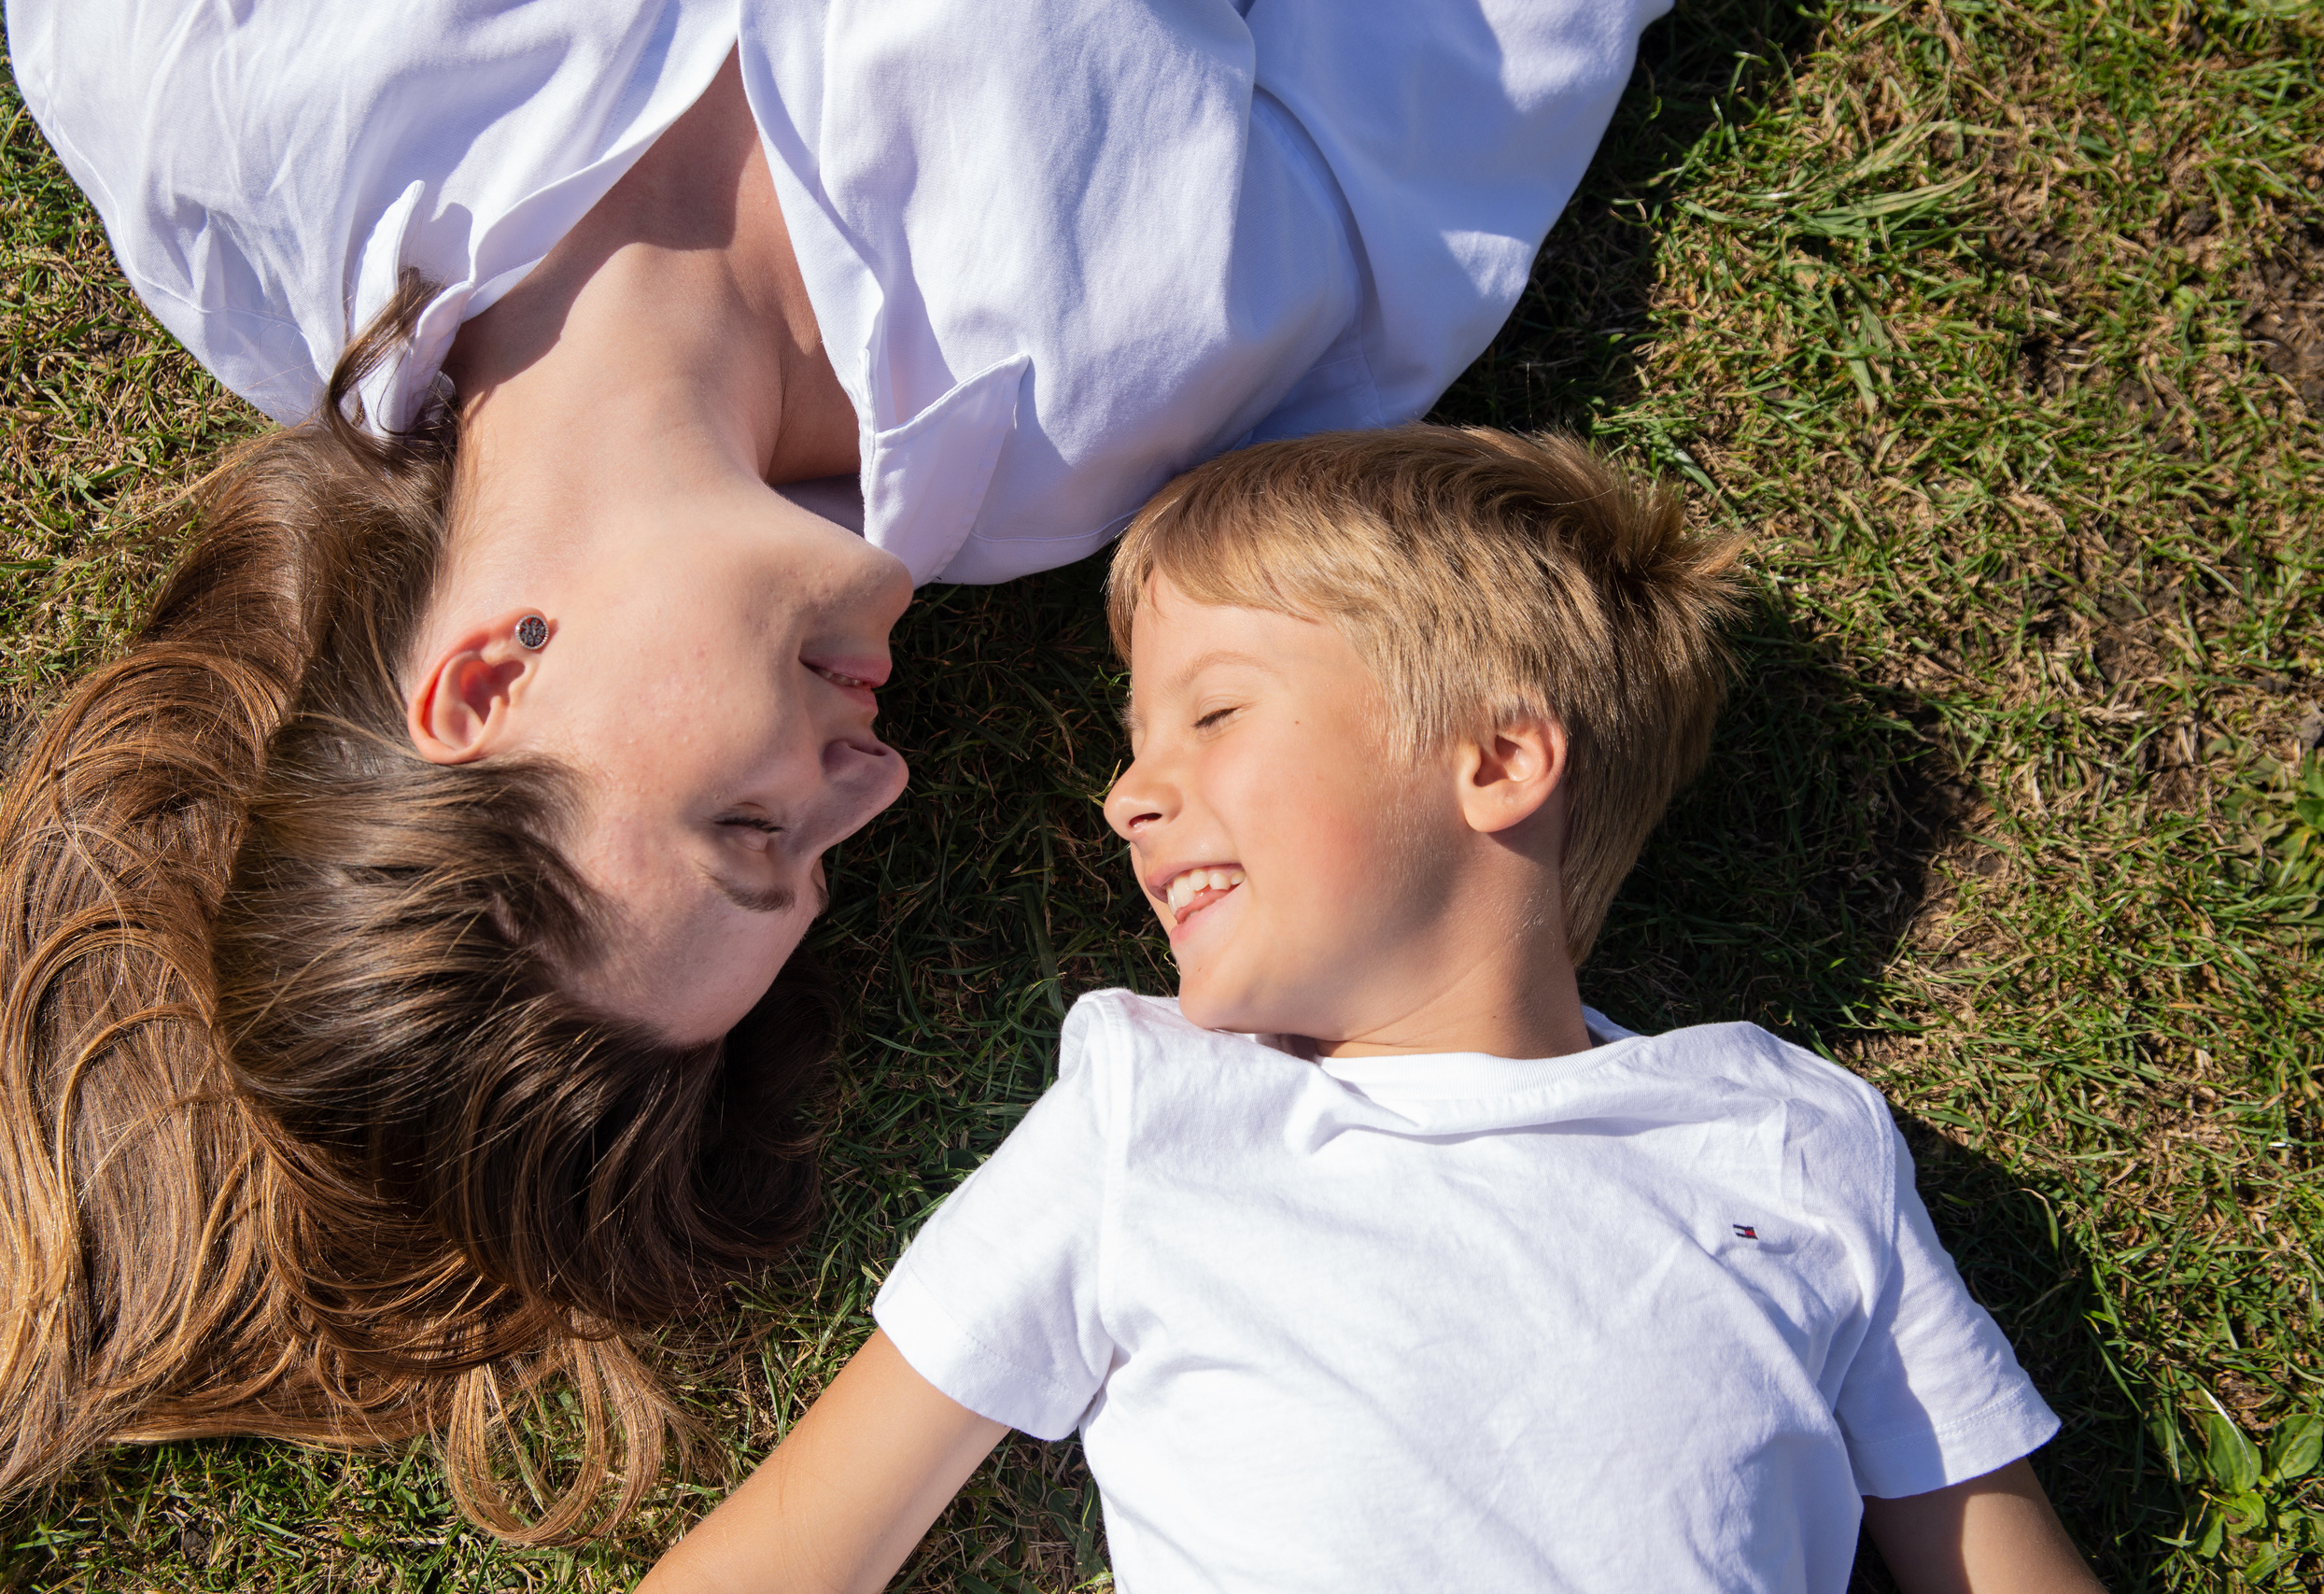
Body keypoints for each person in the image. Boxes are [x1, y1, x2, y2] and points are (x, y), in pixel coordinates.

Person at [0, 0, 1669, 1545]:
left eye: (749, 827)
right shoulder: (1141, 372)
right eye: (819, 857)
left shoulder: (207, 120)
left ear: (478, 688)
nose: (879, 784)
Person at [634, 428, 2109, 1594]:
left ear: (1499, 760)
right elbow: (791, 1552)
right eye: (1139, 742)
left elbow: (1996, 1557)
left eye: (1213, 714)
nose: (1127, 793)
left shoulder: (1784, 1140)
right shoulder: (1150, 1117)